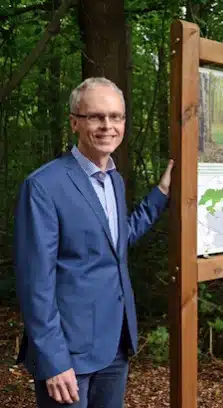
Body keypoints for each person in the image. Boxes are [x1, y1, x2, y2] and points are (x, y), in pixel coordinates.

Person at [14, 77, 174, 408]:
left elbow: (118, 241)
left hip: (114, 343)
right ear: (75, 122)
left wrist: (160, 195)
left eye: (116, 117)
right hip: (69, 352)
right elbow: (35, 283)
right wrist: (54, 360)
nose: (107, 126)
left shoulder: (113, 180)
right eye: (96, 117)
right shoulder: (44, 186)